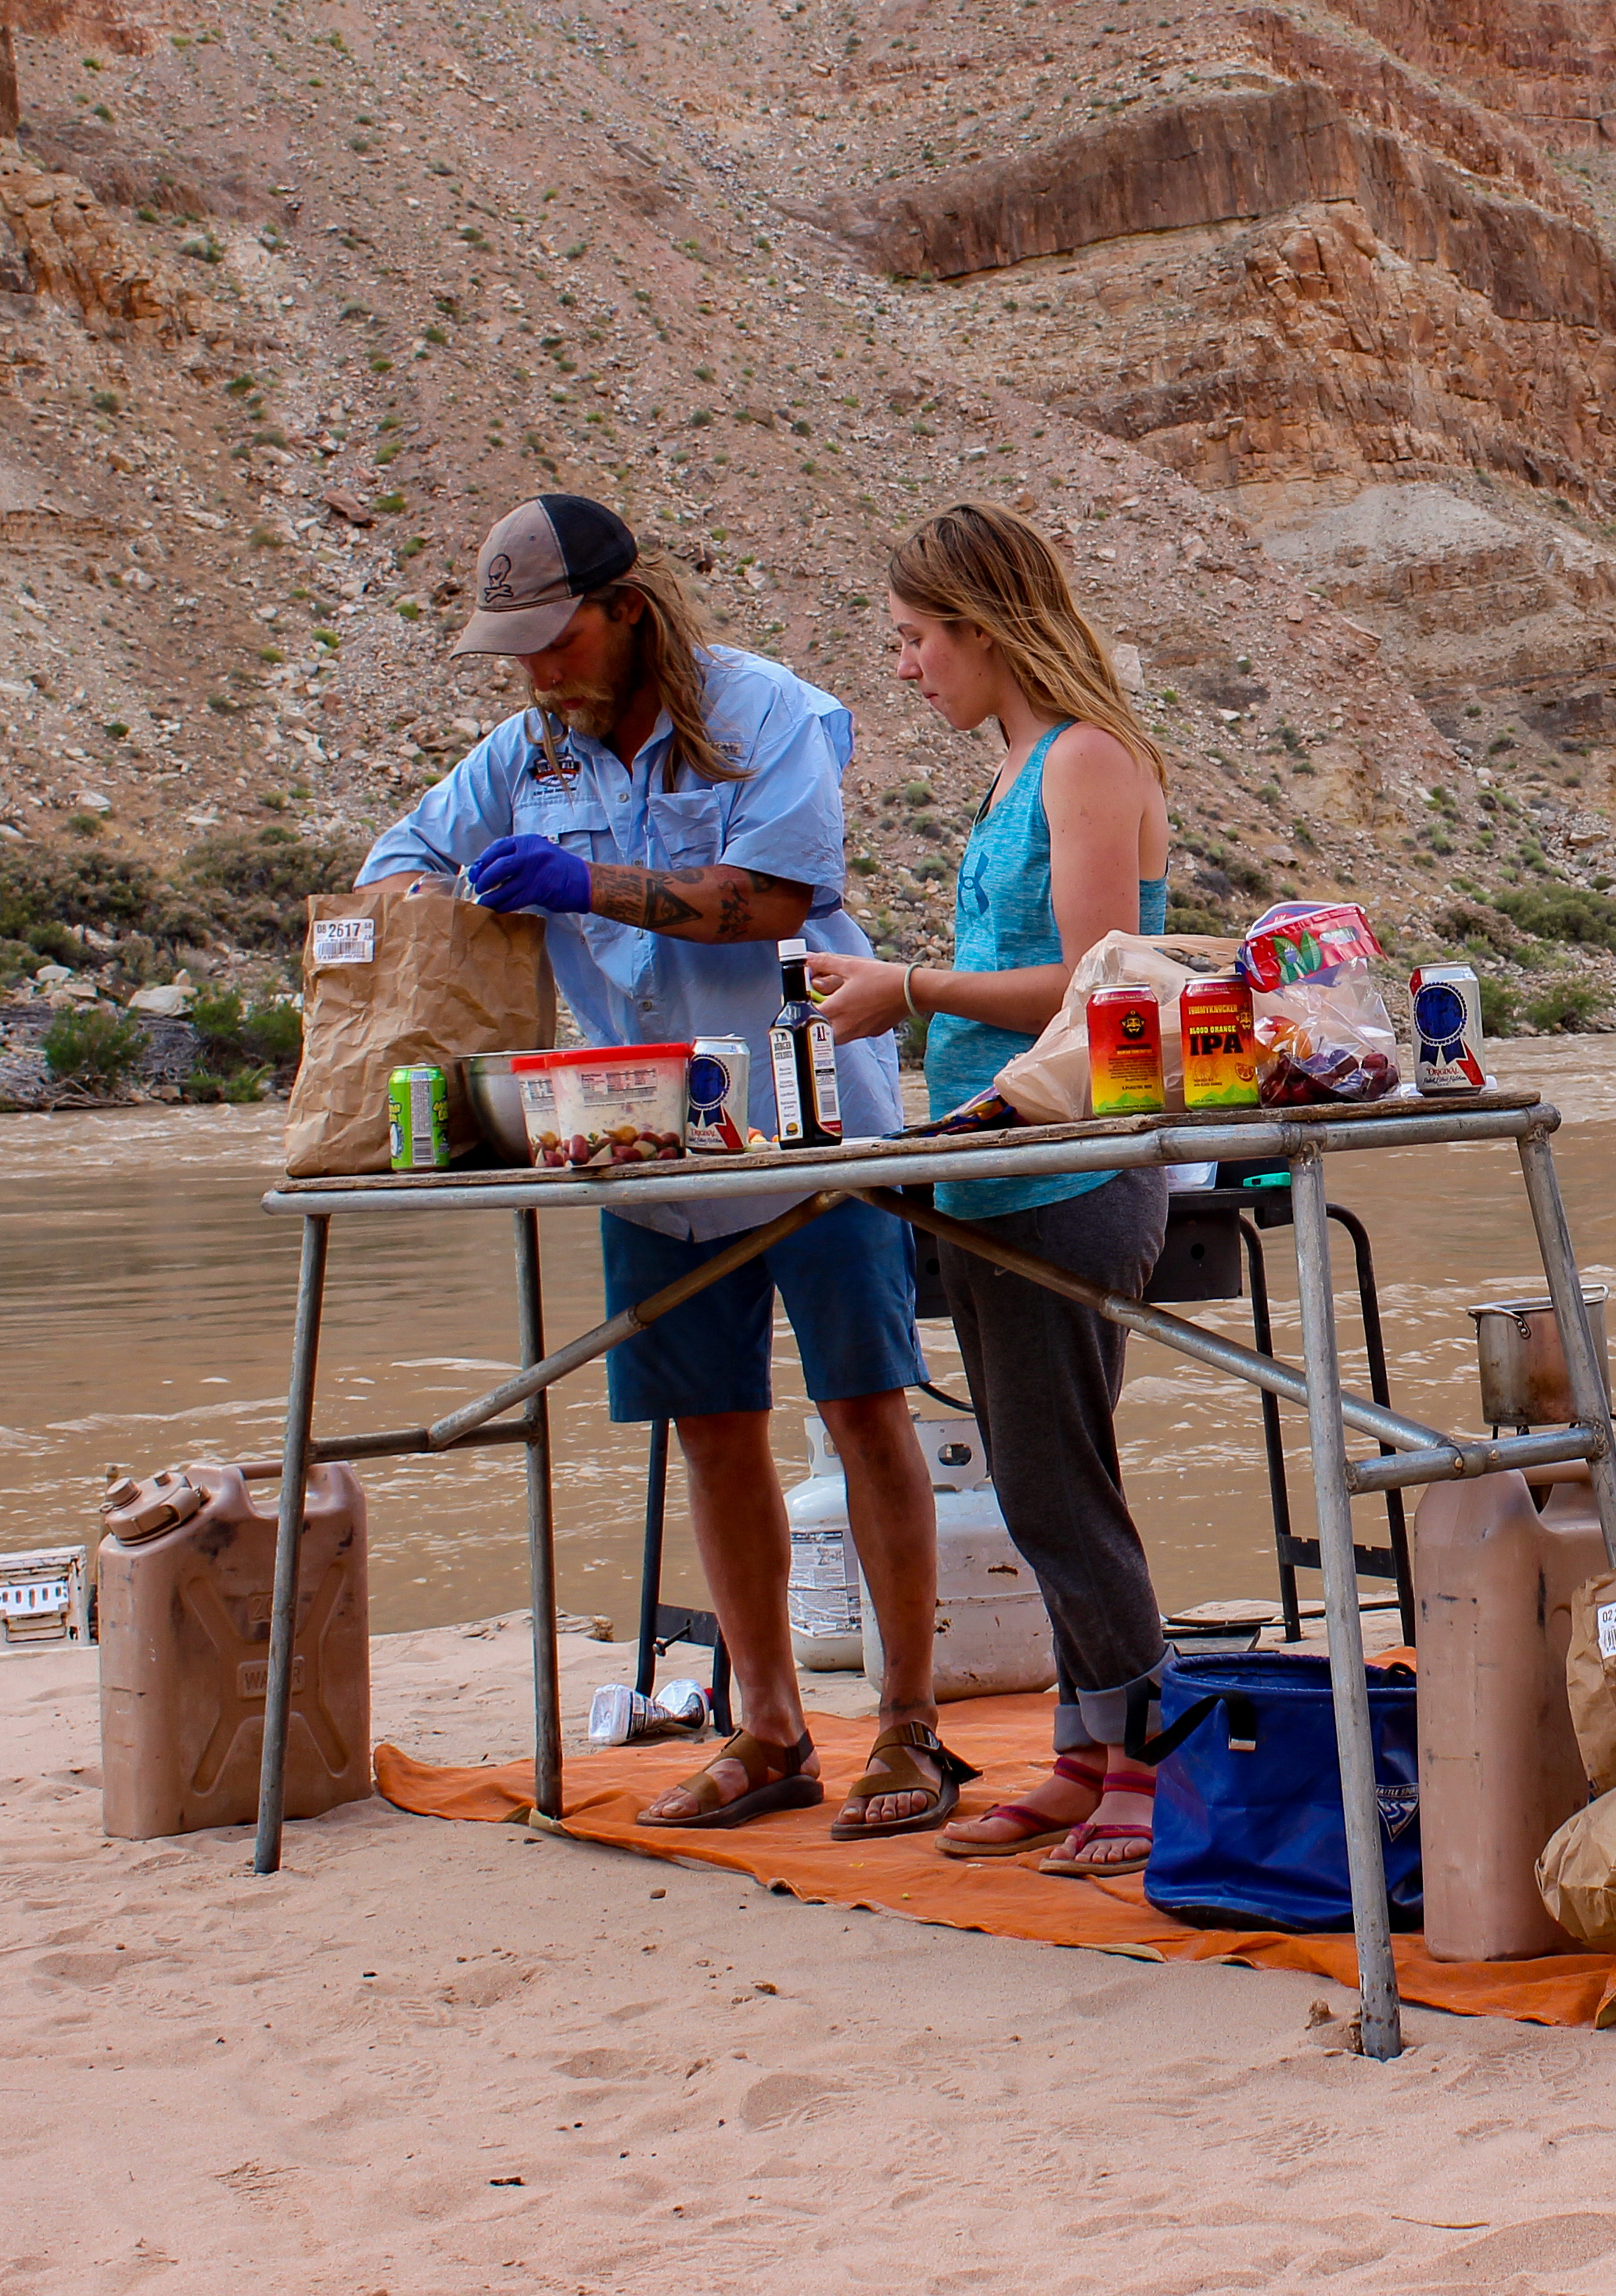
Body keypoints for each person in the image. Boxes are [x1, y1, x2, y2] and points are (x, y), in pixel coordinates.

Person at [361, 494, 971, 1840]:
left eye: (552, 639)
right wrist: (446, 905)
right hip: (636, 1136)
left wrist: (590, 889)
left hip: (809, 1122)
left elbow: (775, 900)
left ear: (627, 610)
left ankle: (912, 1729)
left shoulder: (768, 716)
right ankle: (768, 1728)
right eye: (512, 650)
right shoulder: (524, 757)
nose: (534, 672)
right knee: (711, 1428)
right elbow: (394, 862)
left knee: (866, 1406)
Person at [810, 502, 1177, 1879]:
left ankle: (1149, 1753)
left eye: (916, 640)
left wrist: (905, 990)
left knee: (1059, 1482)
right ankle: (1090, 1754)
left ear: (981, 625)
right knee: (1033, 1482)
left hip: (1063, 1167)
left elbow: (1098, 982)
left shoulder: (1085, 761)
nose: (906, 669)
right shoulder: (1025, 765)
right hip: (994, 1165)